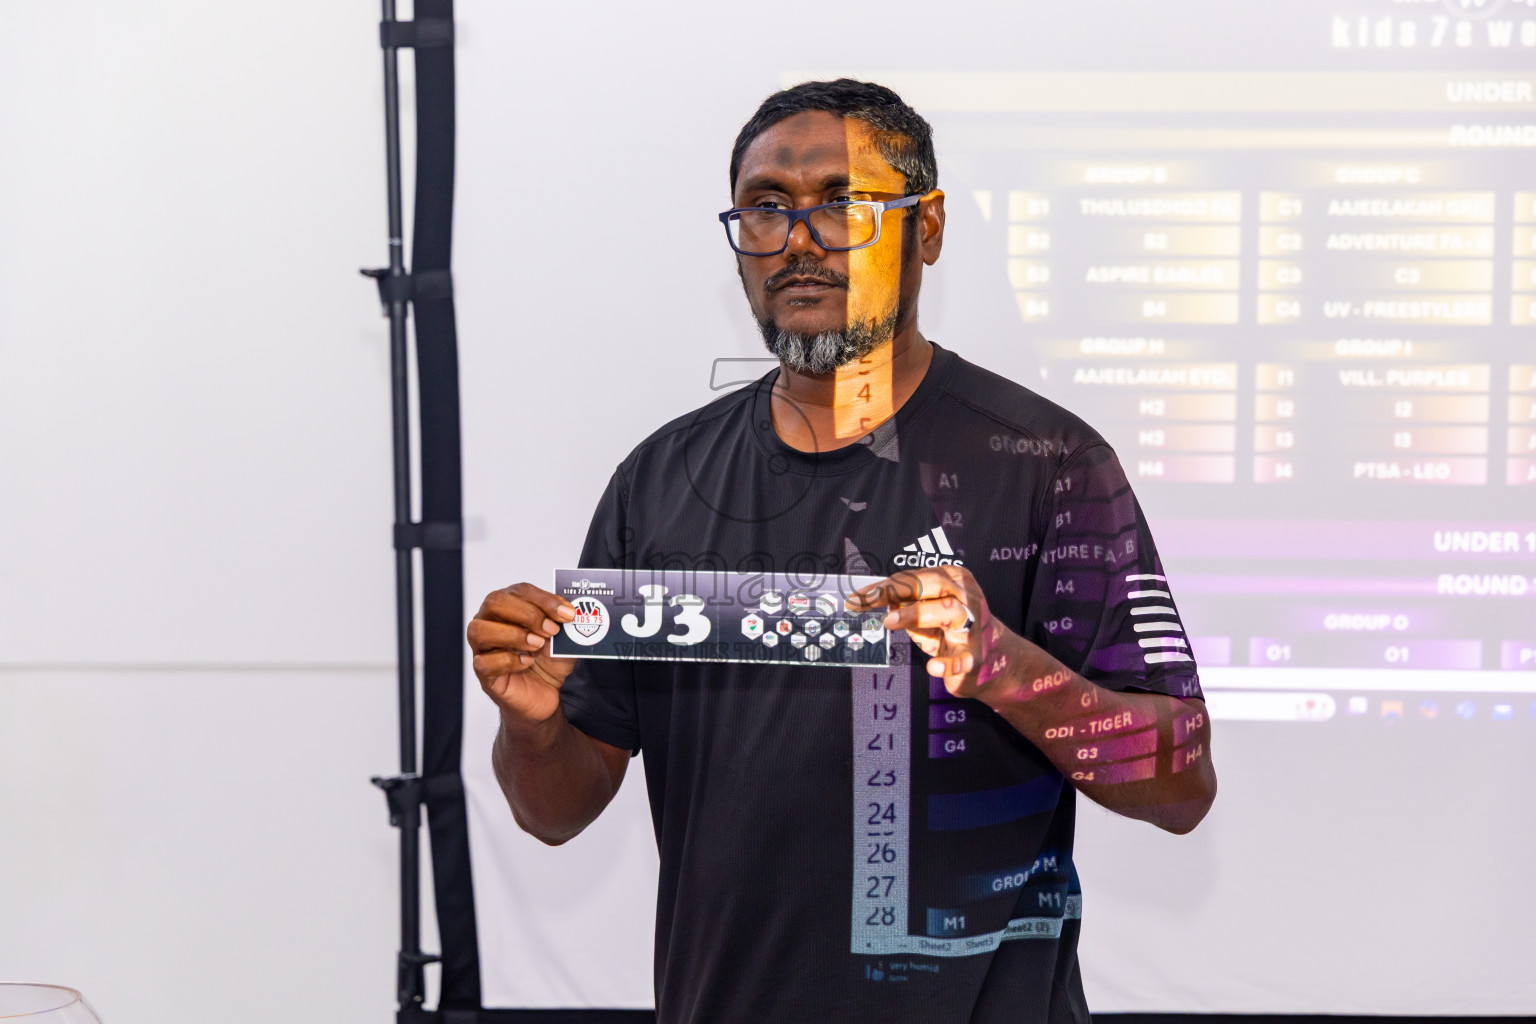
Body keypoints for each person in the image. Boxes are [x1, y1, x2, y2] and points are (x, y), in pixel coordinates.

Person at [466, 79, 1216, 1024]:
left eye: (844, 205)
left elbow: (1181, 781)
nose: (801, 238)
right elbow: (555, 811)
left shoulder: (1050, 465)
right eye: (768, 208)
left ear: (928, 228)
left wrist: (1006, 671)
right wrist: (532, 726)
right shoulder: (657, 483)